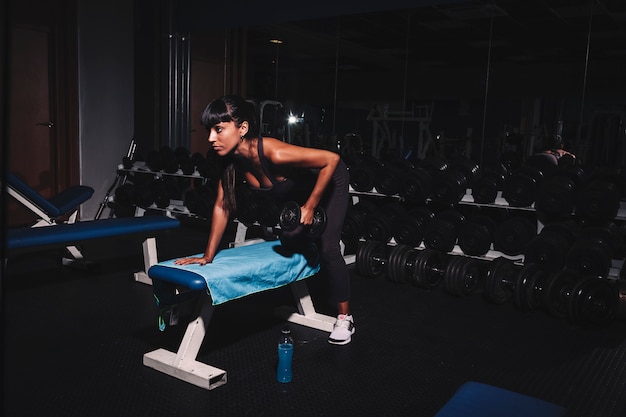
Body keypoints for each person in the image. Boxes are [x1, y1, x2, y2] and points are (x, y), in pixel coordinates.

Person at [175, 95, 355, 345]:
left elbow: (331, 160)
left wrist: (311, 206)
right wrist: (208, 255)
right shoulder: (228, 161)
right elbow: (221, 205)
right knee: (290, 242)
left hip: (332, 177)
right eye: (209, 131)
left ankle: (345, 318)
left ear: (243, 128)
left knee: (328, 248)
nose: (210, 138)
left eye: (218, 130)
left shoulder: (273, 152)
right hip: (305, 186)